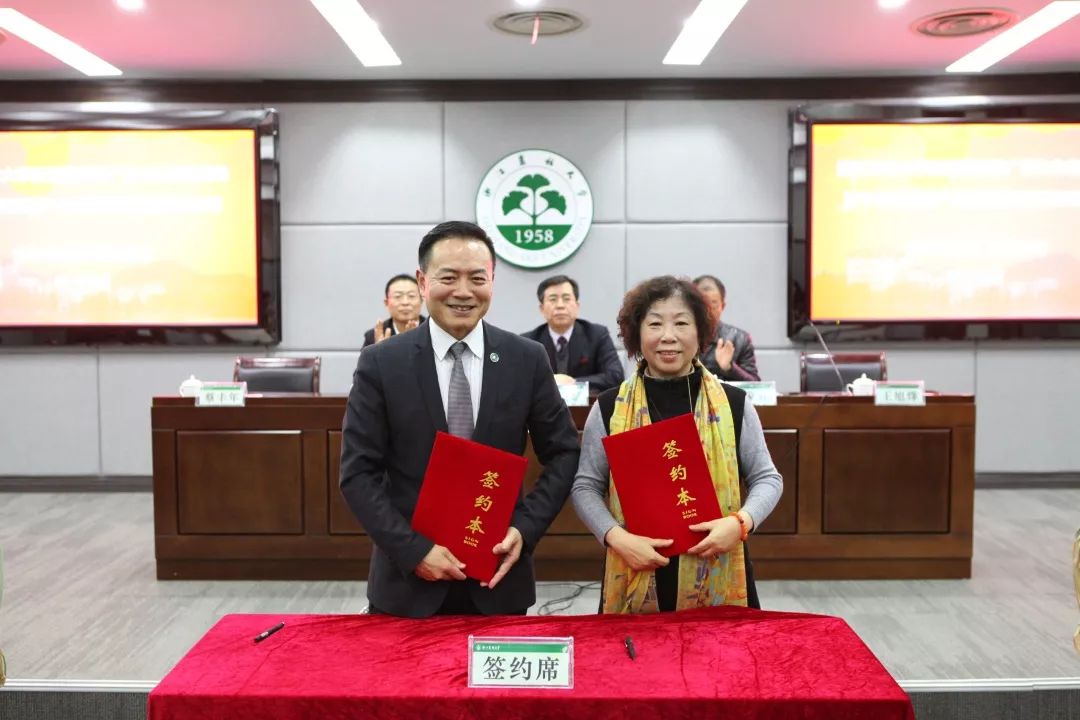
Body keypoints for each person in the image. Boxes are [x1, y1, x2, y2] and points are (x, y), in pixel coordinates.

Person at [340, 221, 580, 618]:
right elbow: (357, 473)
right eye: (448, 277)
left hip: (498, 579)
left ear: (492, 282)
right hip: (406, 588)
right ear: (423, 281)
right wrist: (413, 551)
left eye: (477, 278)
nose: (464, 291)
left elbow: (564, 452)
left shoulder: (526, 358)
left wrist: (525, 529)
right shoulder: (381, 362)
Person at [571, 275, 782, 613]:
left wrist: (741, 523)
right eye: (655, 324)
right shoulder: (611, 407)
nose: (668, 336)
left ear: (701, 333)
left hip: (717, 564)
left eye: (681, 323)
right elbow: (585, 485)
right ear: (637, 334)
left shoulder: (733, 404)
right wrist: (616, 537)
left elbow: (768, 478)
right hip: (635, 565)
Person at [520, 274, 625, 393]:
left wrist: (573, 383)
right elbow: (519, 381)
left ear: (577, 306)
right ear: (542, 309)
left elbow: (615, 376)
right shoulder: (529, 342)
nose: (560, 305)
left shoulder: (597, 335)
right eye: (553, 299)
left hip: (587, 404)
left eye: (566, 299)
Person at [693, 274, 760, 381]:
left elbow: (755, 384)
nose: (707, 312)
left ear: (722, 306)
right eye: (702, 305)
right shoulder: (680, 338)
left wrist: (730, 367)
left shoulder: (740, 339)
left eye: (713, 305)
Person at [362, 274, 426, 349]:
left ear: (422, 300)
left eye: (411, 296)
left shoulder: (433, 330)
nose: (405, 302)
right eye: (397, 296)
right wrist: (378, 353)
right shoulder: (373, 336)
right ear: (386, 303)